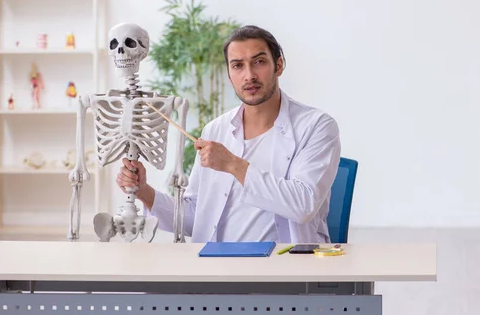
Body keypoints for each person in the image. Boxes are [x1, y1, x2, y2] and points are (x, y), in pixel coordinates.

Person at [116, 25, 341, 243]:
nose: (249, 75)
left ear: (279, 65)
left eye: (259, 62)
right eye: (238, 66)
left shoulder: (316, 127)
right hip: (217, 272)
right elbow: (196, 218)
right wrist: (143, 190)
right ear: (229, 74)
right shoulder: (216, 130)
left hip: (282, 271)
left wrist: (233, 164)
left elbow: (303, 205)